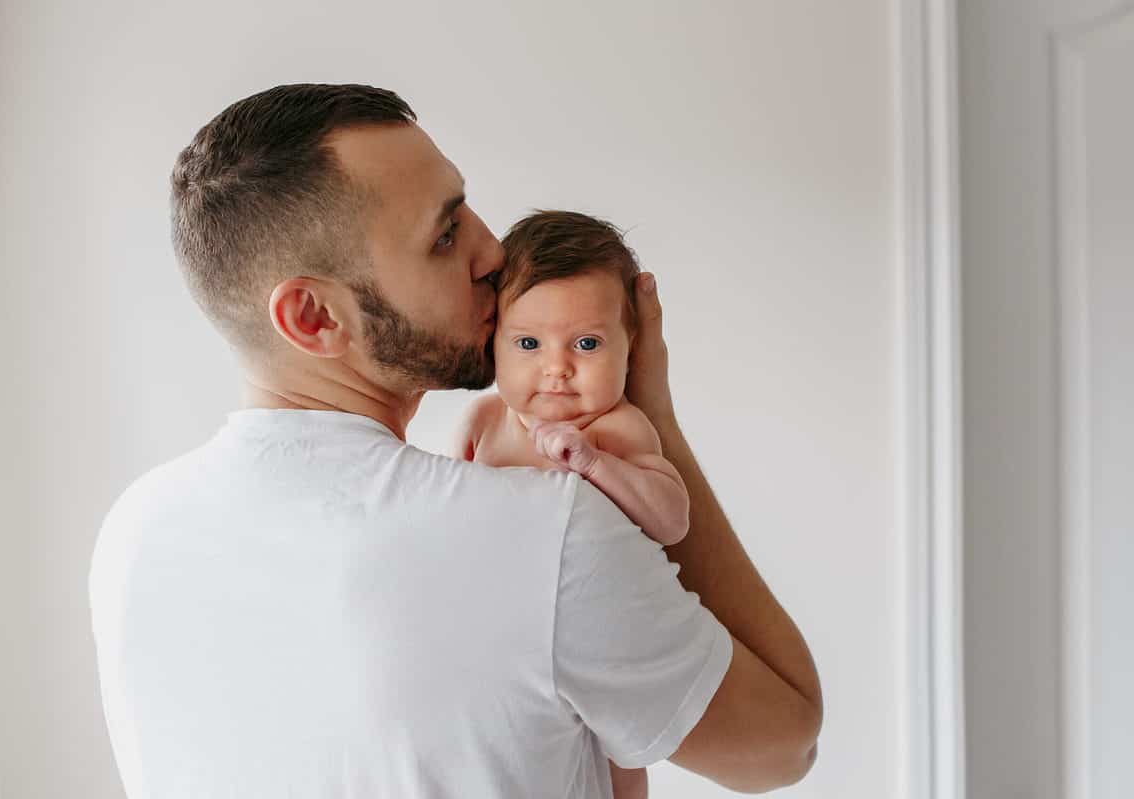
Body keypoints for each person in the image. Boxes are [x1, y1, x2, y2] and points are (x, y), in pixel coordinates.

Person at [88, 83, 823, 798]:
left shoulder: (133, 532)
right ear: (314, 317)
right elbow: (783, 743)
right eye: (445, 235)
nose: (495, 252)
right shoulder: (543, 531)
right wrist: (648, 413)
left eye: (466, 209)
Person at [453, 210, 691, 799]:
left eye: (587, 343)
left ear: (631, 349)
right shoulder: (485, 420)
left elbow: (672, 519)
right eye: (529, 343)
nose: (557, 368)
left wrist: (594, 465)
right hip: (502, 640)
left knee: (617, 762)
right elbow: (447, 508)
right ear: (493, 344)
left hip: (604, 642)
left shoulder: (618, 430)